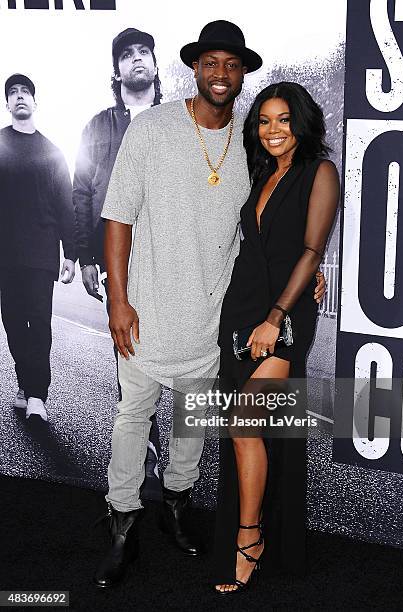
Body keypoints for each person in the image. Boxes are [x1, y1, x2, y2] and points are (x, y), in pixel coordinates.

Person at [94, 21, 325, 588]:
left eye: (231, 64)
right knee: (132, 418)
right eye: (210, 63)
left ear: (243, 73)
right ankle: (122, 525)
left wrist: (307, 275)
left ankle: (175, 507)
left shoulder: (251, 145)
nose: (220, 74)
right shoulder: (150, 129)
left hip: (213, 319)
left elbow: (275, 225)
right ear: (194, 68)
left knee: (191, 426)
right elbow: (118, 215)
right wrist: (119, 301)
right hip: (146, 311)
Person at [213, 82, 340, 594]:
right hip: (242, 305)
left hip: (281, 315)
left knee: (246, 424)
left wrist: (276, 315)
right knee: (246, 430)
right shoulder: (261, 171)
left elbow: (312, 249)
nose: (272, 130)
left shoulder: (320, 171)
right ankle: (264, 531)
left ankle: (250, 539)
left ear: (301, 122)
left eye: (283, 120)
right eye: (264, 121)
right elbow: (260, 243)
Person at [73, 27, 162, 488]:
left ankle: (146, 427)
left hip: (169, 250)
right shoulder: (97, 127)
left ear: (154, 63)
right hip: (116, 252)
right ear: (118, 71)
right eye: (126, 55)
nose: (136, 60)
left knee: (164, 345)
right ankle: (144, 440)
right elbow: (82, 189)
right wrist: (84, 256)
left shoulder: (178, 120)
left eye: (143, 52)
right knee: (128, 343)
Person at [0, 74, 76, 423]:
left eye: (25, 92)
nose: (19, 97)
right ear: (7, 104)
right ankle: (25, 379)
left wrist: (72, 254)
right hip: (6, 254)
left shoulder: (52, 151)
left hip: (41, 253)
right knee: (14, 324)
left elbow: (66, 204)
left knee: (39, 325)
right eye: (12, 93)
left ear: (34, 102)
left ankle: (36, 397)